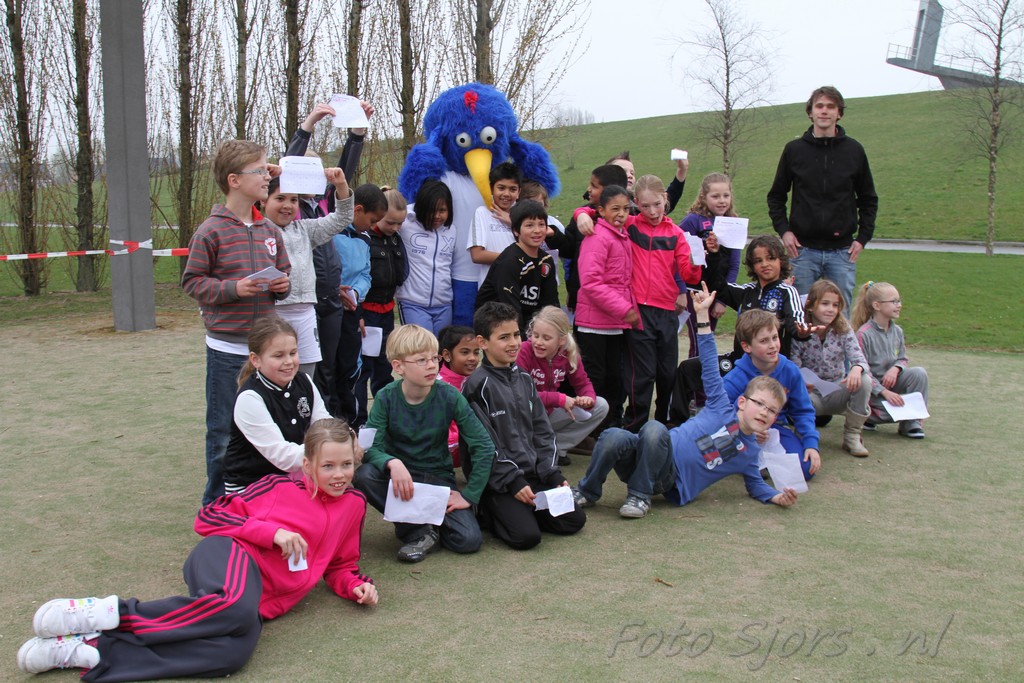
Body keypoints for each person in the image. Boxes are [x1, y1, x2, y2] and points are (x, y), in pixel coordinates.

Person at [17, 418, 376, 681]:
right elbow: (209, 515)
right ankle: (107, 613)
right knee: (234, 608)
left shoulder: (354, 505)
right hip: (229, 555)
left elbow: (340, 564)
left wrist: (354, 585)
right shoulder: (277, 487)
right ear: (307, 466)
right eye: (328, 466)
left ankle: (92, 650)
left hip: (256, 603)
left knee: (231, 655)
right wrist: (271, 533)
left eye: (346, 464)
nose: (339, 474)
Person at [572, 283, 798, 518]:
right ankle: (587, 491)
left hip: (670, 479)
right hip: (647, 454)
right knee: (613, 435)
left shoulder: (749, 452)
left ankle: (640, 496)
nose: (764, 412)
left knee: (654, 429)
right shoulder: (720, 406)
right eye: (760, 403)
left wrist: (777, 496)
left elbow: (756, 485)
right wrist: (702, 315)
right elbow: (709, 364)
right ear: (742, 402)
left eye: (772, 411)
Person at [182, 140, 291, 505]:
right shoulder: (210, 231)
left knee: (268, 429)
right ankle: (216, 507)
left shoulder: (269, 230)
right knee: (224, 432)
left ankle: (261, 502)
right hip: (228, 352)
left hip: (266, 352)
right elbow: (192, 282)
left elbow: (285, 274)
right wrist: (234, 289)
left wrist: (282, 286)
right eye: (259, 170)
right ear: (234, 180)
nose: (267, 176)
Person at [572, 174, 704, 431]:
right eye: (645, 206)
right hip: (639, 311)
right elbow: (596, 211)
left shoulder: (676, 234)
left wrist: (697, 261)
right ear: (637, 205)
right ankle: (634, 426)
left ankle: (664, 424)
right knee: (642, 375)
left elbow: (689, 275)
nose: (652, 211)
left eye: (657, 204)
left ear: (666, 199)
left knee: (667, 372)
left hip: (667, 313)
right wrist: (580, 214)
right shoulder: (630, 224)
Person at [353, 324, 495, 562]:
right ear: (398, 366)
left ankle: (423, 522)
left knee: (469, 540)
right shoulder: (386, 397)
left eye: (434, 358)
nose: (431, 365)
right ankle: (419, 531)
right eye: (421, 360)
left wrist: (470, 496)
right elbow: (370, 448)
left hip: (437, 478)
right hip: (400, 480)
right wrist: (392, 462)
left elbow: (483, 445)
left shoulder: (449, 395)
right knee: (365, 475)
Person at [462, 302, 587, 549]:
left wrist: (551, 473)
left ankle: (523, 509)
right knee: (527, 537)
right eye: (504, 337)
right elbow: (484, 446)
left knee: (574, 520)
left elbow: (543, 431)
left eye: (516, 335)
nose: (513, 343)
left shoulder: (525, 380)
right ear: (483, 342)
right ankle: (489, 508)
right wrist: (512, 481)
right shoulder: (476, 386)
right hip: (499, 481)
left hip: (531, 475)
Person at [283, 100, 372, 411]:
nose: (313, 178)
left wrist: (357, 133)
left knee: (333, 367)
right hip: (302, 299)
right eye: (305, 172)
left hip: (332, 297)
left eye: (317, 172)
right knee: (312, 370)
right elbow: (290, 162)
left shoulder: (323, 203)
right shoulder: (289, 210)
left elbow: (344, 170)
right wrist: (309, 124)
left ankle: (336, 421)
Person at [767, 85, 878, 310]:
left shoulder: (854, 151)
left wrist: (862, 238)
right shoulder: (794, 150)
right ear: (811, 112)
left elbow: (868, 199)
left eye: (830, 106)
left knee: (840, 317)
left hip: (842, 253)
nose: (824, 111)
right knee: (798, 314)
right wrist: (784, 231)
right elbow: (776, 196)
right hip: (802, 251)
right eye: (819, 106)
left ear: (839, 113)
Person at [222, 316, 331, 493]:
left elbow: (325, 425)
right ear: (255, 359)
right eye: (278, 356)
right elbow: (283, 457)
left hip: (294, 479)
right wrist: (334, 448)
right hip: (252, 486)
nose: (288, 361)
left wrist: (346, 436)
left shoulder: (304, 381)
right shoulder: (250, 398)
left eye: (293, 353)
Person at [263, 170, 353, 378]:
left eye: (293, 200)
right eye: (280, 198)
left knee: (306, 376)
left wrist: (341, 184)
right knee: (277, 375)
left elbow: (343, 217)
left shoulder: (305, 229)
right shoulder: (257, 231)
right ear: (263, 200)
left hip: (306, 314)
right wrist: (264, 172)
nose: (287, 205)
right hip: (274, 314)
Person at [723, 310, 822, 482]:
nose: (772, 345)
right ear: (747, 346)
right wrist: (743, 430)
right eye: (764, 341)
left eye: (775, 337)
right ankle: (752, 463)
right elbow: (719, 415)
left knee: (806, 469)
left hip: (776, 430)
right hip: (741, 434)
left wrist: (811, 444)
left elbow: (803, 411)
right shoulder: (735, 378)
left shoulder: (790, 371)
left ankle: (761, 463)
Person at [574, 185, 640, 430]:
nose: (621, 214)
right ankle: (589, 430)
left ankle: (607, 427)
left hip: (613, 323)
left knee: (614, 378)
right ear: (601, 211)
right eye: (615, 209)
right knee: (595, 379)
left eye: (626, 209)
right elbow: (591, 282)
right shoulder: (598, 237)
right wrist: (624, 309)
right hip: (595, 324)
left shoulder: (621, 235)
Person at [516, 306, 609, 466]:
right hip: (523, 417)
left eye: (546, 338)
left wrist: (588, 398)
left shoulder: (568, 354)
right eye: (535, 335)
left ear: (561, 340)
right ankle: (534, 447)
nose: (538, 342)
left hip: (547, 414)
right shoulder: (524, 351)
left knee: (600, 405)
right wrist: (559, 399)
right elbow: (522, 394)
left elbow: (583, 382)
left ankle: (556, 448)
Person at [791, 279, 873, 456]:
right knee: (797, 391)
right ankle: (803, 436)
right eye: (825, 304)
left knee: (865, 380)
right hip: (810, 394)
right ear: (810, 306)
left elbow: (859, 358)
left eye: (835, 305)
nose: (831, 309)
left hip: (836, 390)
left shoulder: (843, 329)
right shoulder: (801, 330)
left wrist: (856, 368)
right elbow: (793, 365)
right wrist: (801, 380)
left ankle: (852, 435)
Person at [332, 184, 389, 424]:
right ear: (357, 210)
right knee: (329, 368)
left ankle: (352, 421)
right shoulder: (330, 232)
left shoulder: (365, 238)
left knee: (351, 366)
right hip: (329, 309)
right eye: (372, 220)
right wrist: (335, 291)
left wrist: (356, 293)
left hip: (353, 311)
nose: (373, 226)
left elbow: (366, 274)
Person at [353, 188, 408, 427]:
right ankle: (360, 419)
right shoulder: (365, 238)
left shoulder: (395, 239)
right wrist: (359, 313)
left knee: (385, 366)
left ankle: (385, 416)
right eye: (390, 222)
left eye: (400, 223)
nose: (395, 227)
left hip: (387, 312)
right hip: (367, 313)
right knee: (364, 367)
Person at [851, 281, 929, 438]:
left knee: (919, 373)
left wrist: (896, 368)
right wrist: (884, 392)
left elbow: (902, 358)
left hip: (890, 387)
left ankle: (911, 423)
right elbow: (862, 370)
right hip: (872, 393)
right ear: (877, 305)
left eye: (899, 301)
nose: (899, 305)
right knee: (889, 407)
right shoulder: (864, 334)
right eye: (894, 301)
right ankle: (869, 417)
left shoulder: (897, 331)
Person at [679, 172, 742, 357]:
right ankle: (696, 375)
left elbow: (734, 265)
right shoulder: (693, 221)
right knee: (699, 341)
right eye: (715, 196)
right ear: (703, 197)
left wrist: (723, 299)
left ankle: (707, 375)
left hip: (717, 292)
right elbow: (679, 256)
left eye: (726, 195)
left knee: (708, 339)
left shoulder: (733, 223)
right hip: (695, 291)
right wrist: (680, 290)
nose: (722, 201)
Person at [475, 199, 559, 336]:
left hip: (528, 328)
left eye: (541, 224)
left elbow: (551, 305)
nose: (537, 231)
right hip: (498, 328)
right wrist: (524, 341)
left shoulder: (546, 260)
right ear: (516, 231)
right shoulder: (509, 261)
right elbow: (510, 309)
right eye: (529, 225)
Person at [563, 164, 629, 310]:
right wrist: (553, 235)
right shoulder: (584, 218)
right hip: (584, 299)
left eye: (594, 186)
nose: (589, 189)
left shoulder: (627, 220)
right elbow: (567, 250)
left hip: (619, 302)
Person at [394, 181, 456, 335]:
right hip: (412, 303)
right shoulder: (406, 224)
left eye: (442, 210)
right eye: (431, 210)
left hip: (444, 304)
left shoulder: (451, 230)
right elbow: (389, 214)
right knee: (421, 347)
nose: (437, 216)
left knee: (441, 348)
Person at [467, 161, 522, 285]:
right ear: (491, 188)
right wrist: (515, 259)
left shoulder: (524, 214)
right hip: (491, 287)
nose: (506, 194)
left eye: (512, 189)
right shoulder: (482, 213)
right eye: (501, 188)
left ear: (519, 192)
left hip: (519, 286)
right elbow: (477, 255)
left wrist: (513, 223)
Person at [436, 325, 481, 467]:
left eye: (476, 352)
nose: (473, 358)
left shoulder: (478, 381)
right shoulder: (437, 388)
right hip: (444, 452)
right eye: (465, 352)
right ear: (447, 355)